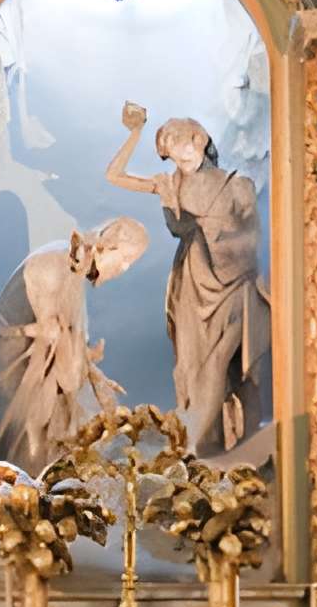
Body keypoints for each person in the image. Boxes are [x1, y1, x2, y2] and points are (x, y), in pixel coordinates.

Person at [106, 105, 271, 455]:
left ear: (199, 139)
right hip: (192, 286)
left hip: (234, 287)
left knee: (233, 370)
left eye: (176, 139)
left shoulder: (236, 184)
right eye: (165, 144)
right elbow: (114, 176)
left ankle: (234, 446)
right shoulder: (168, 185)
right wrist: (136, 133)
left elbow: (253, 238)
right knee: (190, 368)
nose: (172, 149)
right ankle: (203, 447)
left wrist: (212, 231)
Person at [0, 214, 149, 471]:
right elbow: (61, 358)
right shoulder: (57, 266)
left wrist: (89, 364)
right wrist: (87, 373)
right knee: (57, 430)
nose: (124, 268)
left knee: (82, 415)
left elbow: (63, 340)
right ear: (110, 245)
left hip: (27, 356)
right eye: (125, 259)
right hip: (6, 361)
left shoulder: (70, 263)